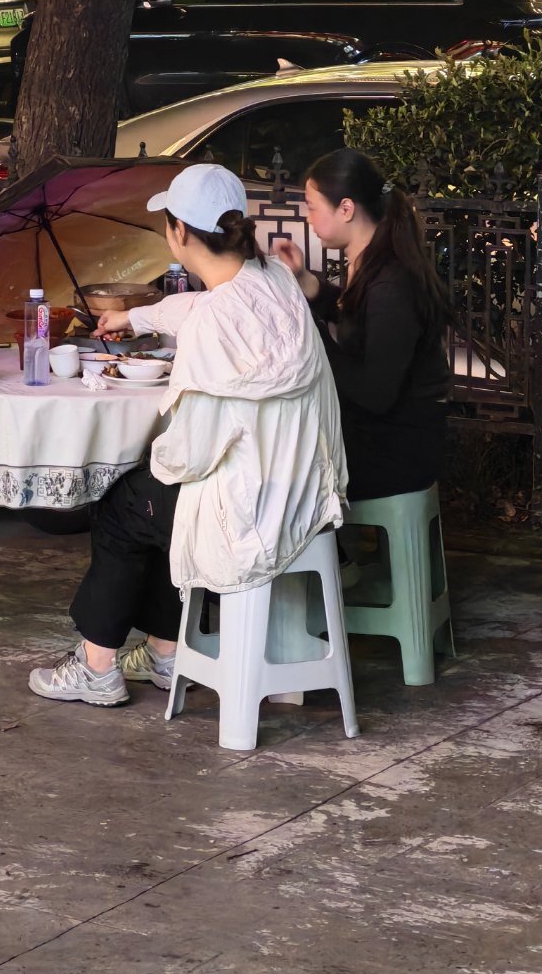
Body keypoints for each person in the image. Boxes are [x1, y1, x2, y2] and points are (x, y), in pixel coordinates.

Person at [28, 164, 347, 707]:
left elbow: (186, 457)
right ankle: (165, 649)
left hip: (246, 514)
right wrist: (140, 315)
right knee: (150, 499)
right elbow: (203, 305)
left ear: (178, 232)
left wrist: (147, 453)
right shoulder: (274, 282)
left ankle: (96, 664)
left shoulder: (212, 324)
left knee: (125, 501)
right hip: (304, 492)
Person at [273, 148, 450, 503]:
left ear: (346, 209)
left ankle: (323, 557)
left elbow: (375, 393)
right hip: (381, 436)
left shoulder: (391, 284)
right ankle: (331, 557)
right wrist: (306, 281)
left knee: (279, 471)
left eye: (311, 206)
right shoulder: (374, 263)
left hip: (396, 452)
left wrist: (313, 335)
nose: (307, 218)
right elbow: (356, 315)